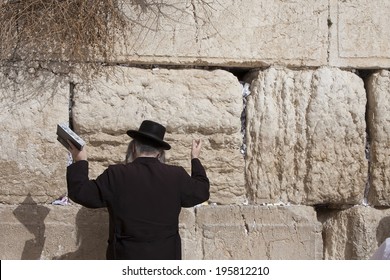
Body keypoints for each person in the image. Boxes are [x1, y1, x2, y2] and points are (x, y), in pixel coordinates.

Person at [66, 120, 210, 260]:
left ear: (134, 147)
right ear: (159, 153)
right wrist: (195, 159)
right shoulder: (176, 175)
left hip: (125, 258)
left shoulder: (116, 174)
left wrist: (80, 160)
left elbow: (81, 192)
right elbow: (202, 191)